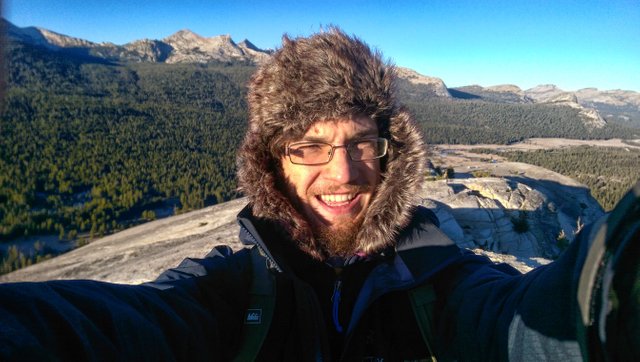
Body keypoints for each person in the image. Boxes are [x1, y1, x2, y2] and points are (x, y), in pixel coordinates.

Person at [0, 28, 638, 361]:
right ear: (273, 162)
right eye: (309, 145)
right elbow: (117, 328)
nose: (343, 173)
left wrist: (609, 285)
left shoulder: (437, 276)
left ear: (392, 150)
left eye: (363, 141)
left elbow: (519, 325)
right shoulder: (231, 291)